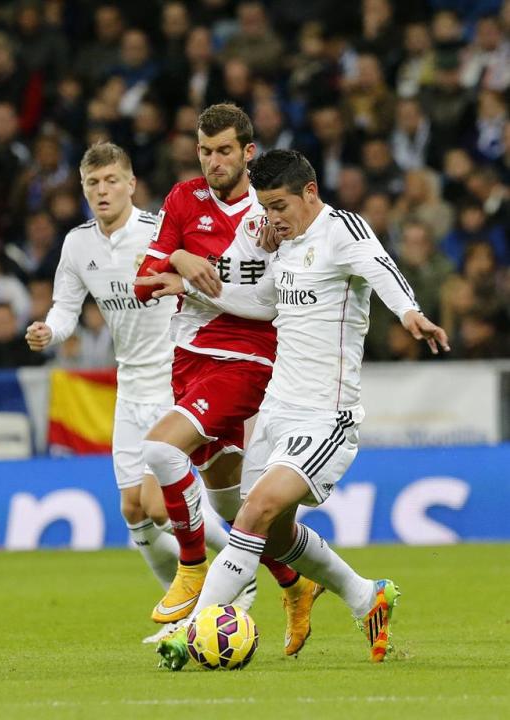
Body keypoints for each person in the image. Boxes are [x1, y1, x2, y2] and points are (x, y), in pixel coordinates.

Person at [138, 149, 450, 670]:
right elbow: (256, 303)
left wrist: (410, 312)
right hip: (277, 409)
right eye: (264, 206)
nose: (272, 218)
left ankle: (192, 631)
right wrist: (189, 285)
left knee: (256, 510)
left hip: (326, 417)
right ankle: (363, 594)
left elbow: (381, 268)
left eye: (279, 205)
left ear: (309, 192)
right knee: (267, 531)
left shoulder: (341, 229)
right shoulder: (276, 242)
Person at [134, 105, 323, 656]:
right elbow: (144, 284)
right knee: (229, 507)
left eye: (223, 150)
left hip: (248, 359)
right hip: (189, 358)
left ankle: (192, 570)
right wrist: (179, 255)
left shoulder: (271, 212)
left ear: (247, 153)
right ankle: (297, 584)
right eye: (204, 150)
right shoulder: (182, 200)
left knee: (162, 453)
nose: (213, 161)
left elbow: (288, 291)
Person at [25, 142, 231, 641]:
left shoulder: (160, 232)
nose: (102, 190)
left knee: (160, 506)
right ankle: (183, 615)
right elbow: (64, 308)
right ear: (83, 189)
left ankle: (241, 571)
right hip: (129, 385)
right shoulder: (77, 245)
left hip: (174, 380)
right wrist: (49, 332)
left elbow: (210, 285)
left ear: (131, 184)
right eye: (93, 183)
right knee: (134, 510)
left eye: (112, 180)